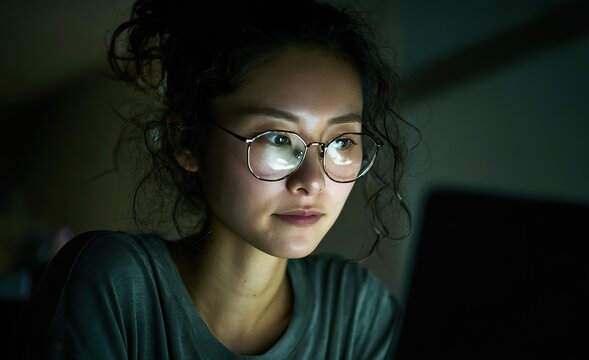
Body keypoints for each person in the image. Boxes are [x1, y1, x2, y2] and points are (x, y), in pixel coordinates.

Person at [9, 0, 417, 358]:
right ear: (186, 139)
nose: (312, 180)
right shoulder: (115, 284)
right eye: (277, 138)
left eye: (343, 142)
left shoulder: (355, 309)